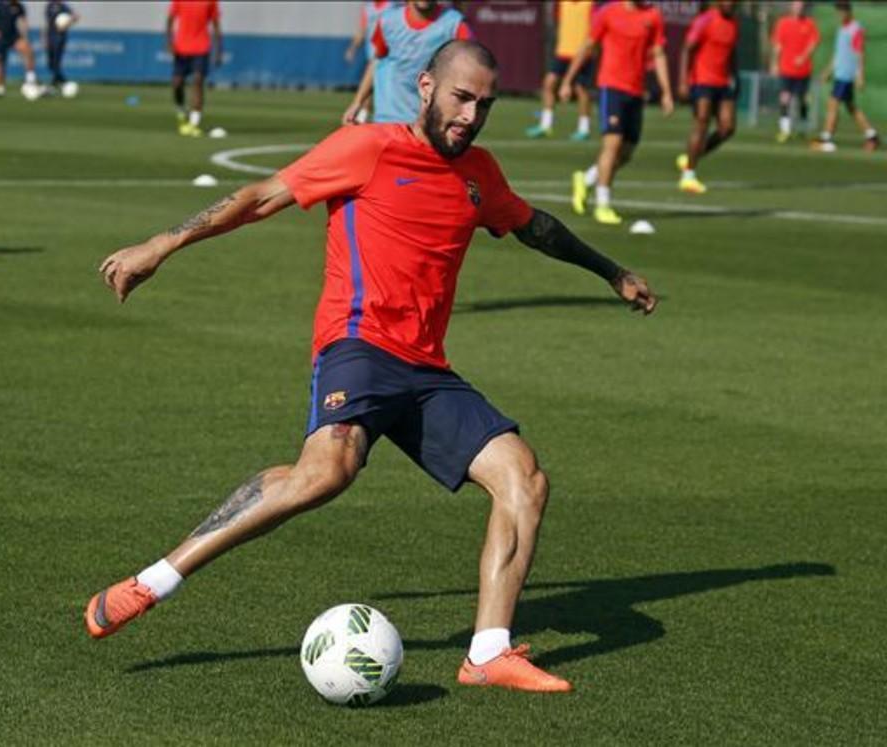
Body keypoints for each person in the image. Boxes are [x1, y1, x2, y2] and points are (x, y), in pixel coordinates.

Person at [88, 40, 658, 694]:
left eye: (485, 105)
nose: (471, 116)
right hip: (358, 346)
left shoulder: (480, 174)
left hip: (427, 371)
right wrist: (162, 243)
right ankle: (153, 581)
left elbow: (535, 226)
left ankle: (487, 653)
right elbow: (259, 197)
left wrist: (612, 272)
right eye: (461, 98)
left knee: (523, 478)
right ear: (426, 87)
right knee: (326, 472)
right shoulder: (367, 148)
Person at [561, 0, 673, 226]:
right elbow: (588, 45)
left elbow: (658, 54)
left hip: (636, 91)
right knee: (613, 144)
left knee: (627, 152)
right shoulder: (608, 12)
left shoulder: (653, 16)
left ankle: (587, 179)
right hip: (611, 87)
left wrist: (667, 92)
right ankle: (603, 204)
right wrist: (567, 80)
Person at [342, 0, 471, 125]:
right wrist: (357, 103)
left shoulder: (455, 24)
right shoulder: (388, 21)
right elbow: (376, 62)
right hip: (388, 119)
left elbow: (469, 69)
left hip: (427, 122)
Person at [674, 0, 738, 195]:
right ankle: (688, 176)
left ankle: (691, 157)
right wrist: (683, 81)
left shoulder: (734, 24)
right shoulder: (706, 20)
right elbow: (687, 48)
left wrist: (734, 77)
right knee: (701, 122)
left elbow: (731, 53)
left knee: (727, 128)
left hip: (723, 82)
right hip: (702, 80)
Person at [815, 1, 878, 152]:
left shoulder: (855, 29)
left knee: (833, 103)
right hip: (839, 72)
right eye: (838, 11)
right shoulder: (841, 29)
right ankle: (871, 135)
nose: (840, 14)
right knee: (851, 107)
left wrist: (860, 74)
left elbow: (859, 52)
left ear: (849, 11)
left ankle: (826, 137)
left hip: (846, 74)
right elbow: (838, 54)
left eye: (843, 10)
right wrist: (828, 71)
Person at [527, 0, 595, 141]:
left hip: (583, 54)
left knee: (581, 90)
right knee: (549, 83)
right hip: (563, 53)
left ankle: (584, 129)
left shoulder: (590, 4)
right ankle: (546, 126)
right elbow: (558, 22)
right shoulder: (561, 3)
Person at [167, 0, 221, 137]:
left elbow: (216, 26)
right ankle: (181, 110)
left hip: (201, 47)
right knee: (177, 83)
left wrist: (218, 50)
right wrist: (169, 43)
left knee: (198, 81)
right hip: (181, 48)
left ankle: (194, 123)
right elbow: (170, 20)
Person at [343, 1, 399, 124]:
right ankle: (363, 116)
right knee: (370, 86)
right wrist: (353, 48)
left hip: (390, 56)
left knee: (387, 88)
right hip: (374, 54)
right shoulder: (368, 7)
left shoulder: (393, 5)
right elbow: (363, 29)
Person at [770, 1, 819, 143]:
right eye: (796, 5)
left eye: (801, 5)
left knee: (802, 99)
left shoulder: (809, 23)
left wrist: (804, 57)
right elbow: (778, 45)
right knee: (785, 97)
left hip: (803, 70)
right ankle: (785, 130)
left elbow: (814, 42)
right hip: (786, 69)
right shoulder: (783, 23)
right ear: (791, 6)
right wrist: (774, 63)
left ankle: (802, 129)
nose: (799, 8)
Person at [0, 0, 37, 97]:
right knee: (0, 62)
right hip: (1, 37)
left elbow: (24, 21)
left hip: (14, 36)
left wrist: (25, 35)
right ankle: (0, 88)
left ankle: (30, 80)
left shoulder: (19, 6)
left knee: (28, 51)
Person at [43, 0, 78, 95]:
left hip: (59, 37)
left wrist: (66, 24)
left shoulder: (63, 6)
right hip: (50, 36)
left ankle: (55, 84)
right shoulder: (49, 6)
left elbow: (76, 16)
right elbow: (47, 23)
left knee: (56, 62)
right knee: (50, 64)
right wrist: (45, 37)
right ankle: (63, 82)